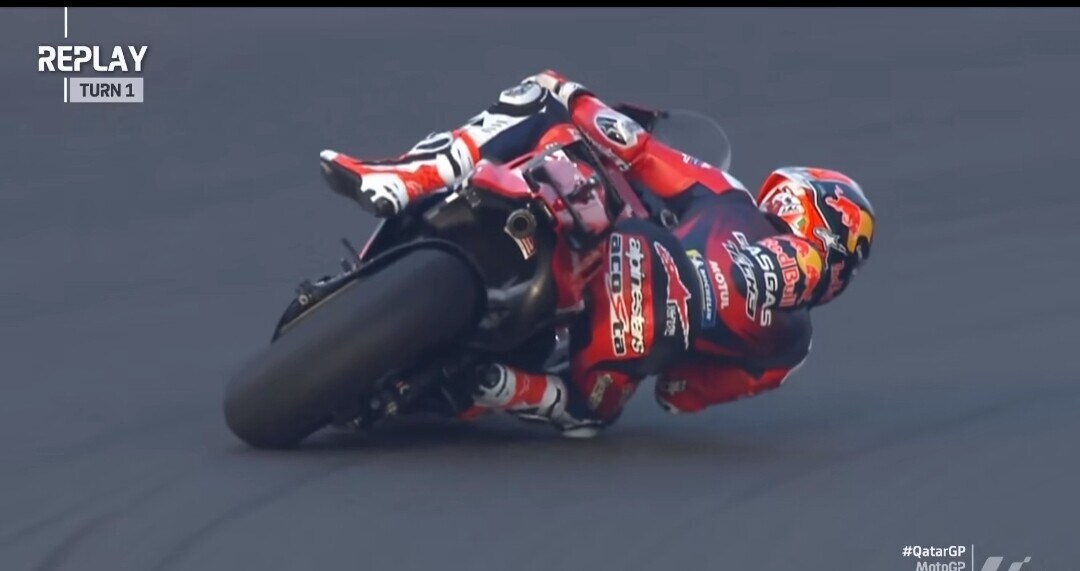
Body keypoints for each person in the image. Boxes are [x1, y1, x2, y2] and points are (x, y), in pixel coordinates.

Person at [319, 70, 876, 438]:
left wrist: (579, 103)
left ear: (796, 198)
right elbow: (678, 396)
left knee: (543, 95)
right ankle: (508, 389)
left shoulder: (731, 200)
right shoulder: (790, 351)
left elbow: (642, 152)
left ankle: (408, 179)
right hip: (611, 365)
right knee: (587, 414)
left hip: (617, 254)